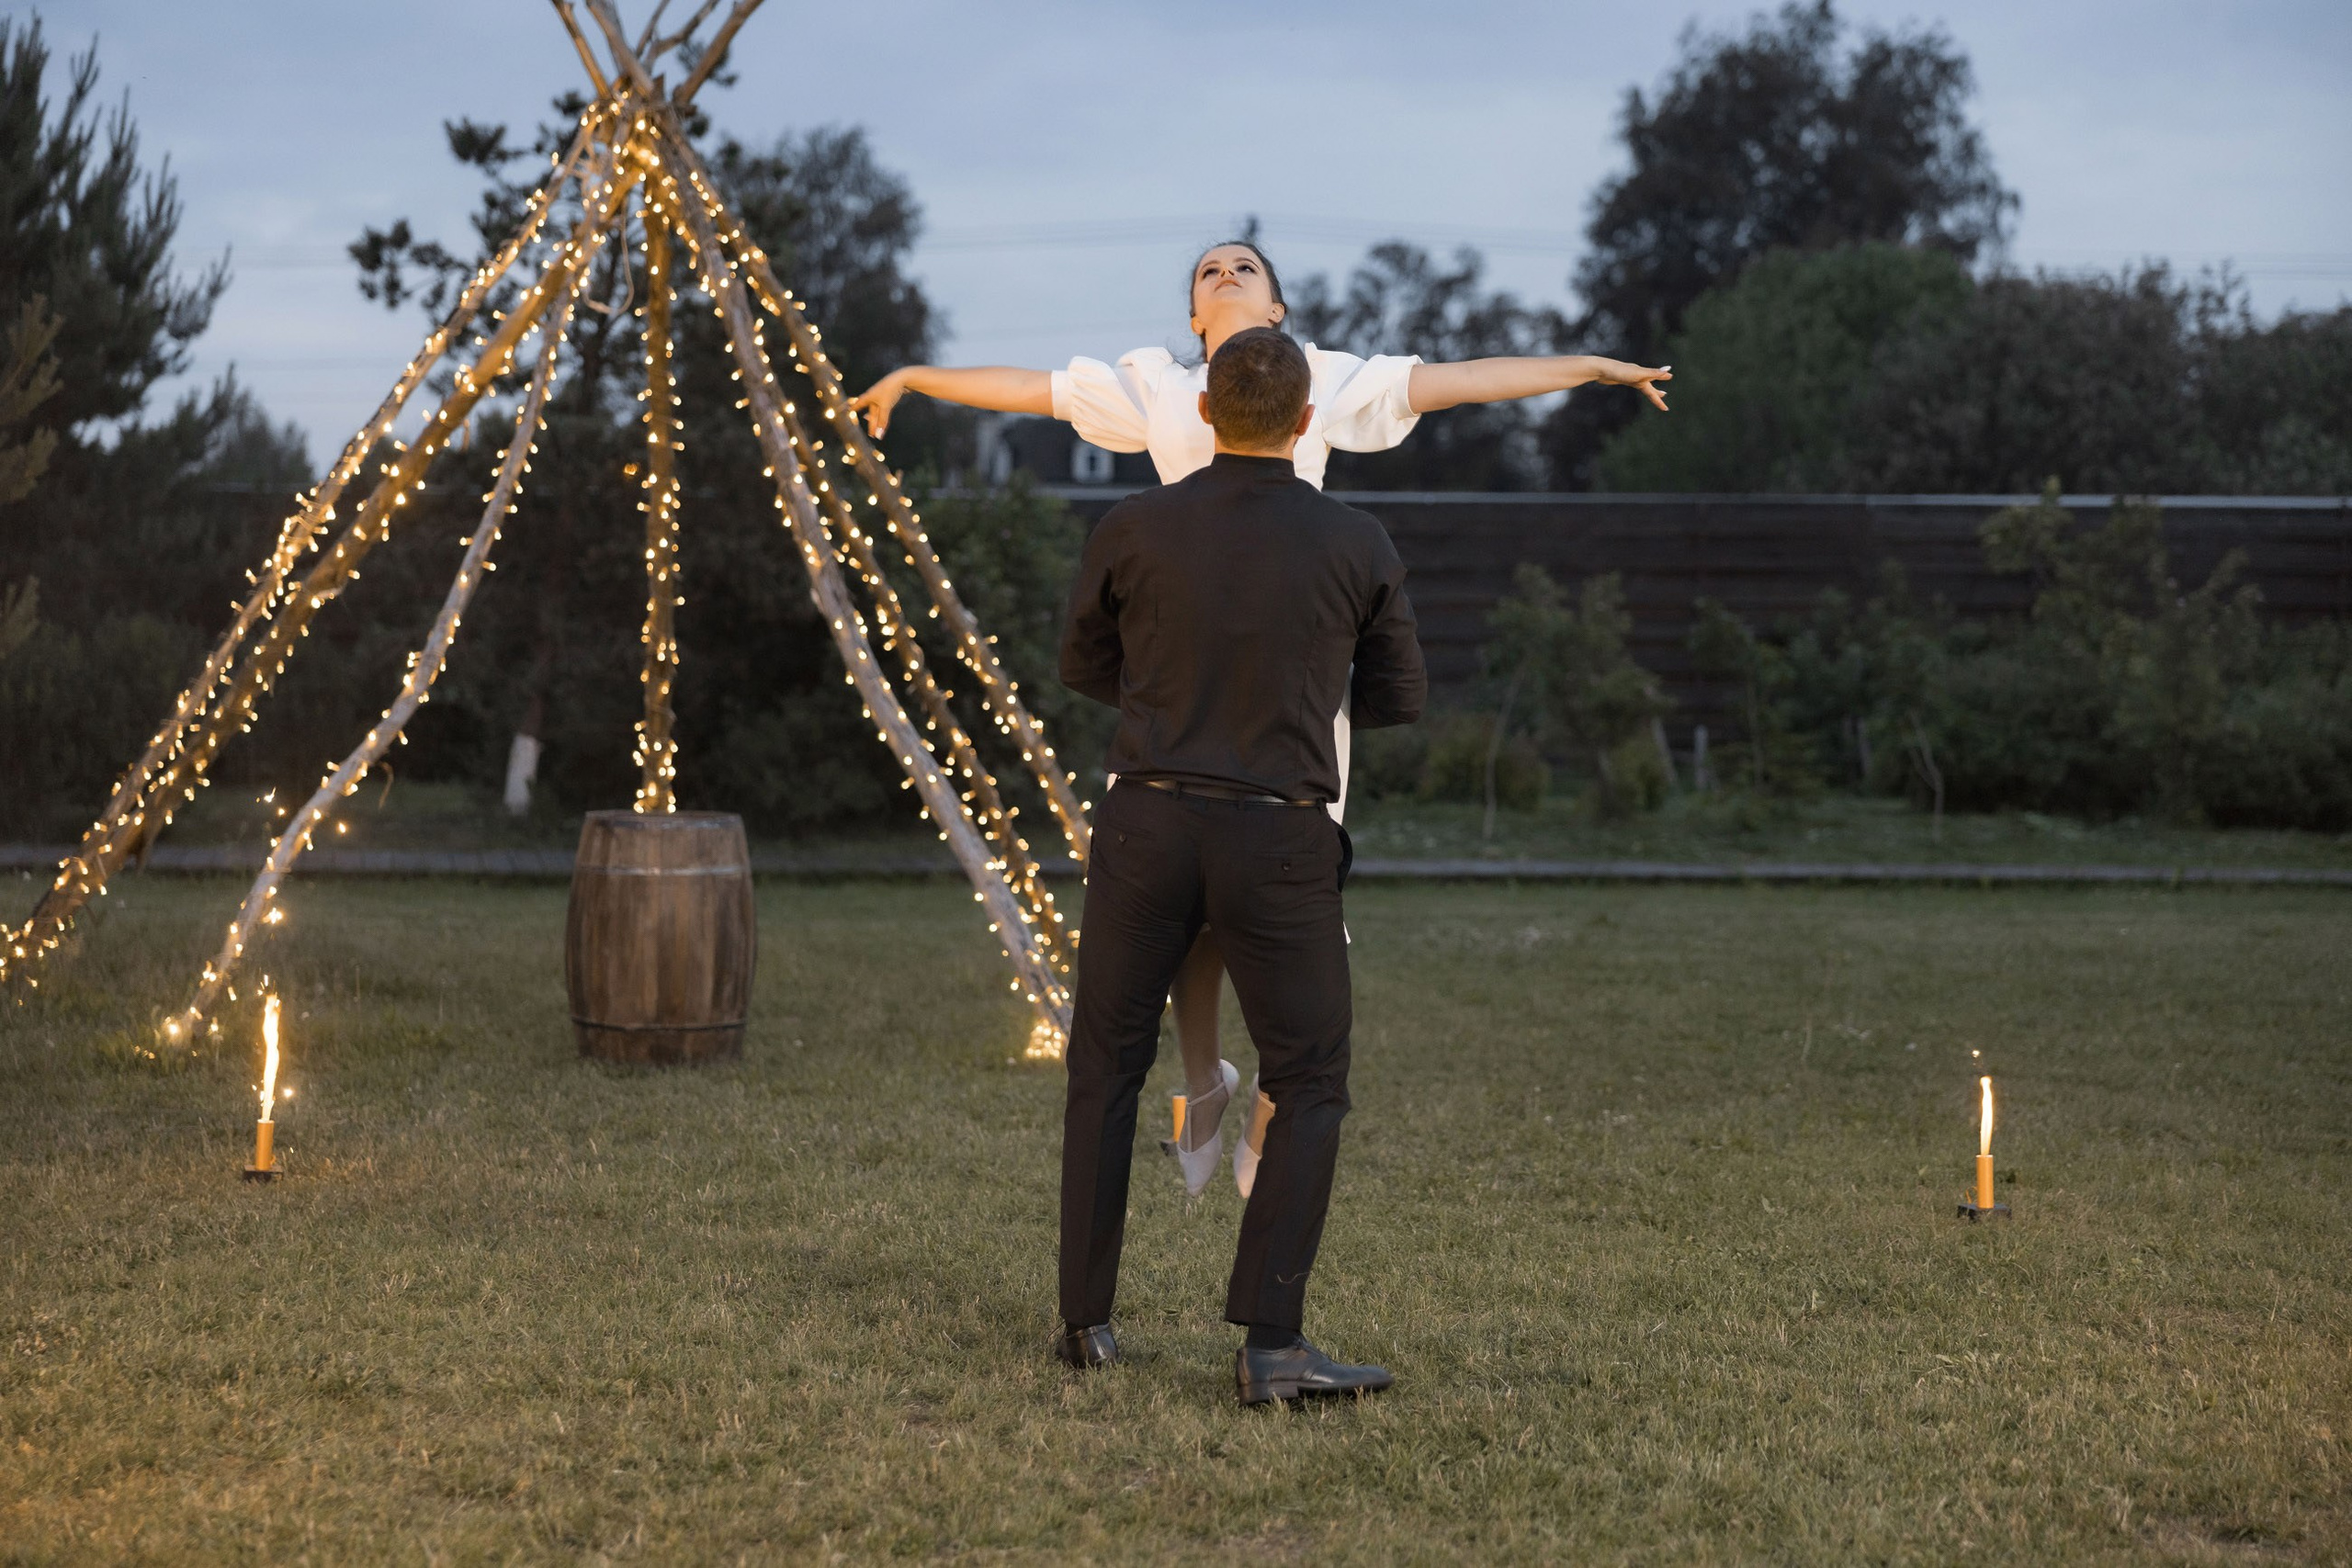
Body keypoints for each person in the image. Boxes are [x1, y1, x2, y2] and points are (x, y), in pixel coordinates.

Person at [852, 241, 1669, 1190]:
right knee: (1181, 906)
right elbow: (1031, 391)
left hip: (1288, 693)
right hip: (1181, 687)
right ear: (1196, 322)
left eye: (1246, 268)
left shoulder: (1322, 380)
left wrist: (1591, 368)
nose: (1226, 274)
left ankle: (1265, 1126)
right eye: (1208, 272)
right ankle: (1204, 1080)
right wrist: (914, 376)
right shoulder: (1159, 387)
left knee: (1291, 929)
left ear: (1279, 310)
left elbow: (1461, 382)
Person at [1050, 326, 1424, 1403]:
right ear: (1306, 423)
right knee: (1307, 1079)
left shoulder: (1133, 523)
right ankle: (1270, 1349)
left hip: (1146, 822)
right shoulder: (1355, 541)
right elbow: (1398, 699)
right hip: (1279, 834)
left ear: (1207, 415)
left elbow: (1085, 665)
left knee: (1106, 1066)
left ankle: (1085, 1324)